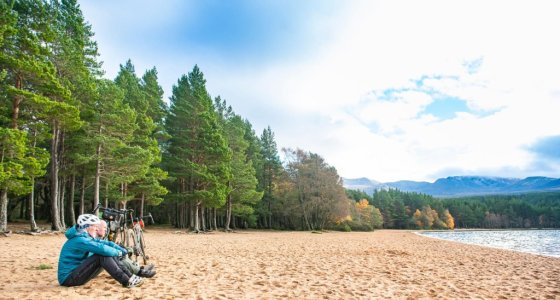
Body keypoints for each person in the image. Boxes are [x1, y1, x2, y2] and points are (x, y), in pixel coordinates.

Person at [57, 214, 144, 288]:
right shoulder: (80, 240)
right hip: (68, 279)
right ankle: (126, 281)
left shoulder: (85, 237)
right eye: (95, 226)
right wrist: (119, 253)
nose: (96, 229)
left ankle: (130, 276)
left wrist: (120, 249)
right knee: (101, 255)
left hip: (76, 274)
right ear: (87, 226)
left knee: (107, 253)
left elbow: (105, 243)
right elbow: (102, 249)